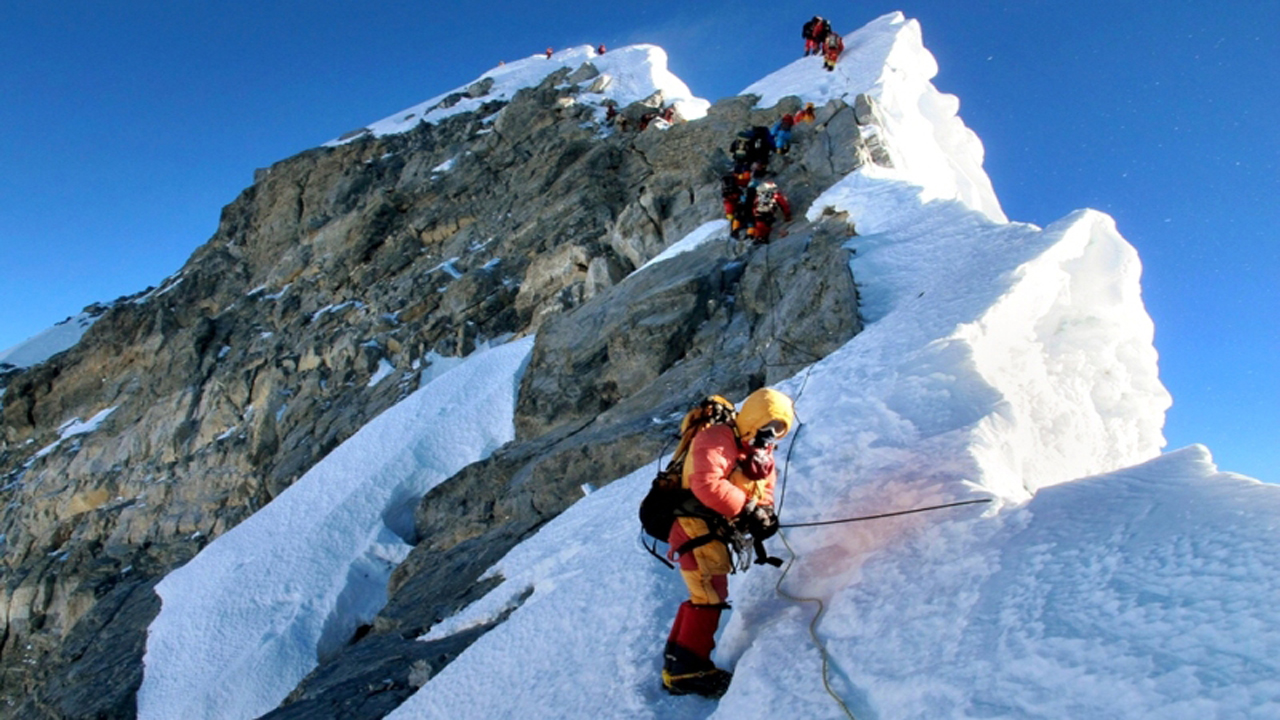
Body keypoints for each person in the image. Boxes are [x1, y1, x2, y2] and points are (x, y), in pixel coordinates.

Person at [663, 388, 795, 698]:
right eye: (769, 425)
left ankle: (676, 662)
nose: (772, 434)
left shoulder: (757, 449)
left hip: (710, 531)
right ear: (753, 418)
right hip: (694, 529)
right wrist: (747, 510)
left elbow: (763, 487)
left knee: (704, 593)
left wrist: (763, 513)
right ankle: (687, 672)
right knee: (708, 595)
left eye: (779, 428)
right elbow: (706, 483)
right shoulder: (718, 438)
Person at [747, 172, 792, 243]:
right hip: (768, 215)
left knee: (761, 230)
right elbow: (783, 204)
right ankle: (763, 238)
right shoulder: (775, 194)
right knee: (767, 229)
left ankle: (759, 238)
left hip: (758, 216)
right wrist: (787, 215)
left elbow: (754, 206)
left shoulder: (759, 195)